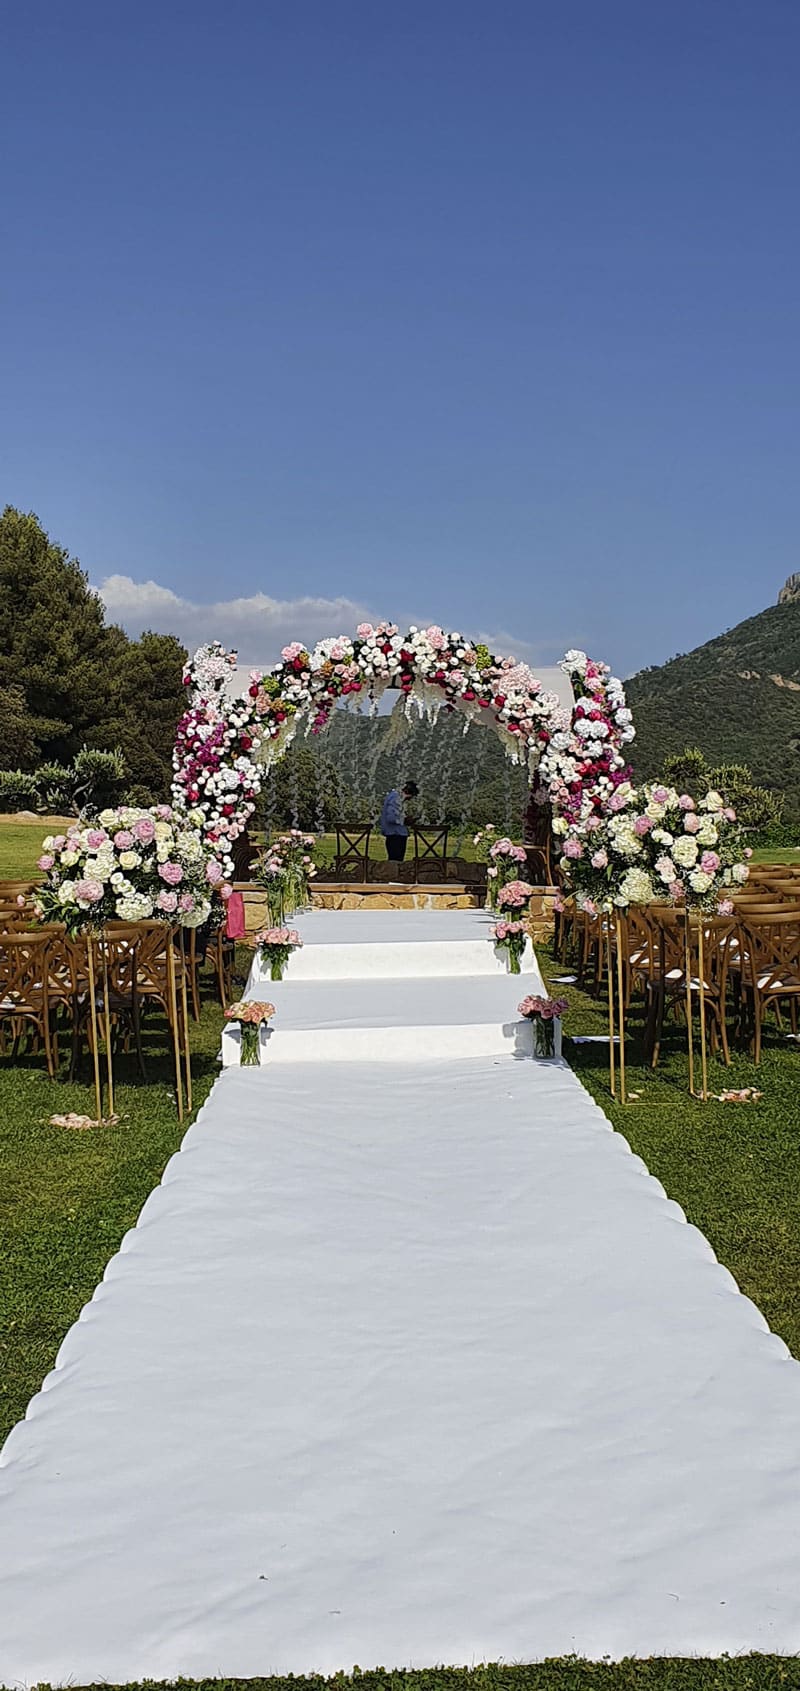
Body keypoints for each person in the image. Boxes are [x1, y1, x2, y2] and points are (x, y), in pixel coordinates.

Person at [379, 779, 418, 869]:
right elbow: (391, 817)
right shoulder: (396, 798)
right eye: (410, 796)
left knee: (395, 861)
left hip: (394, 834)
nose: (409, 799)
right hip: (396, 835)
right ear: (407, 791)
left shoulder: (393, 797)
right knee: (396, 861)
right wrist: (405, 820)